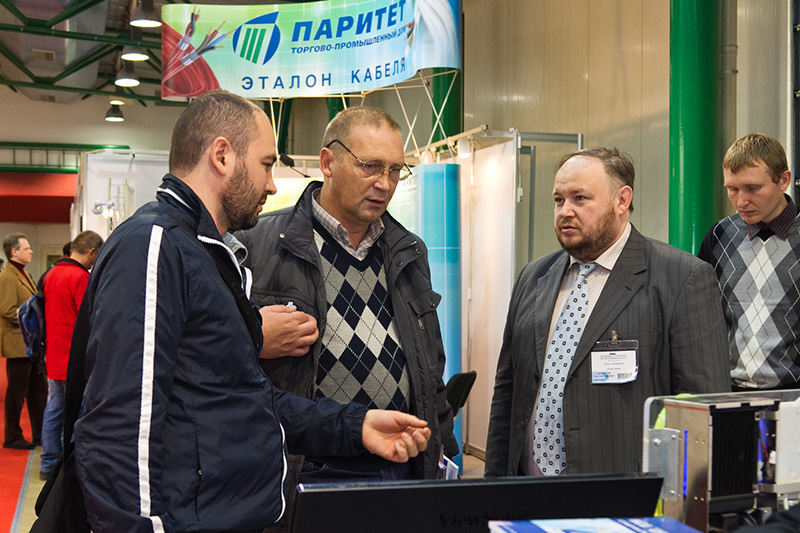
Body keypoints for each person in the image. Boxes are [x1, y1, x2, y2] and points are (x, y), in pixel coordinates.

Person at [74, 90, 431, 533]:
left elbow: (245, 399)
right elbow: (120, 429)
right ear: (222, 156)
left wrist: (356, 425)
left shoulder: (206, 253)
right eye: (266, 164)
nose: (273, 185)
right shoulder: (154, 245)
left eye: (395, 170)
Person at [237, 106, 457, 510]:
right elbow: (219, 365)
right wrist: (254, 337)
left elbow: (430, 366)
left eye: (395, 170)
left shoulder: (409, 251)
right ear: (328, 162)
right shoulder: (257, 243)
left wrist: (444, 451)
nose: (384, 183)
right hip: (306, 469)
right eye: (370, 166)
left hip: (399, 468)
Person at [485, 147, 731, 477]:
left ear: (622, 200)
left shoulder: (680, 278)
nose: (565, 211)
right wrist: (494, 484)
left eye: (580, 198)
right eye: (558, 200)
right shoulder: (533, 277)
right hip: (526, 489)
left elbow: (702, 409)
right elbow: (508, 391)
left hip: (623, 493)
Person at [698, 134, 800, 391]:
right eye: (732, 189)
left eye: (752, 188)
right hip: (728, 392)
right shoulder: (719, 236)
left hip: (795, 396)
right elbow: (700, 318)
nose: (741, 201)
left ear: (784, 180)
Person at [39, 230, 103, 480]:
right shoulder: (80, 277)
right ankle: (73, 464)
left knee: (54, 408)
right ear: (92, 252)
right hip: (74, 358)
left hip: (53, 354)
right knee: (79, 411)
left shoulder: (51, 274)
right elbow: (88, 319)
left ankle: (48, 463)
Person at [0, 233, 47, 450]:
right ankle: (12, 436)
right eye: (27, 248)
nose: (31, 251)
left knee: (38, 390)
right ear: (14, 252)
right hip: (18, 343)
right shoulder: (8, 277)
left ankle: (40, 433)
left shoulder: (22, 273)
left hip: (29, 343)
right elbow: (6, 310)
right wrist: (32, 318)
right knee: (17, 393)